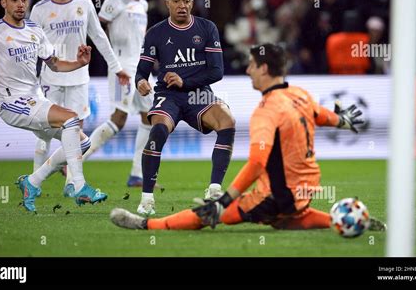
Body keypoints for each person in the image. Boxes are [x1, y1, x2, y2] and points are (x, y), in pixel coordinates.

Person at [109, 43, 385, 231]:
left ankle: (146, 225)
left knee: (210, 215)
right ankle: (344, 220)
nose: (248, 70)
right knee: (285, 219)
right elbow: (322, 115)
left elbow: (255, 164)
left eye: (252, 65)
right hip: (308, 188)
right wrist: (343, 121)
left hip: (279, 194)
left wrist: (225, 200)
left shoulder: (266, 111)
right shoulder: (299, 94)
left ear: (264, 69)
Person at [0, 0, 107, 212]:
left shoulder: (35, 30)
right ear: (4, 2)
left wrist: (79, 62)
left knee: (83, 142)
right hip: (10, 103)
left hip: (35, 99)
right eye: (14, 0)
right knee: (71, 118)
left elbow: (54, 65)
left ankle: (32, 182)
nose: (20, 4)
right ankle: (80, 186)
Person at [134, 0, 236, 215]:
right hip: (168, 95)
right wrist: (140, 81)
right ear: (167, 3)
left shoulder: (207, 28)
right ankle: (147, 198)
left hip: (198, 93)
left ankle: (214, 189)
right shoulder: (156, 33)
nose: (182, 6)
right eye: (177, 1)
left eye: (187, 1)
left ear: (192, 3)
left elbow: (217, 71)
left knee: (228, 121)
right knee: (158, 131)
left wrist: (184, 81)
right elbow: (142, 70)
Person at [29, 0, 130, 185]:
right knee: (44, 131)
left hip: (78, 78)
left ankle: (72, 184)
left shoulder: (84, 4)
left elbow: (99, 37)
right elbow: (30, 46)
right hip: (50, 78)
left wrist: (116, 68)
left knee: (77, 133)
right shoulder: (40, 9)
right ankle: (34, 182)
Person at [81, 0, 153, 187]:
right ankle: (73, 161)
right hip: (121, 66)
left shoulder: (143, 4)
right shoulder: (114, 1)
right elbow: (96, 28)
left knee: (149, 117)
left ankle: (137, 175)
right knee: (119, 118)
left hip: (140, 68)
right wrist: (111, 56)